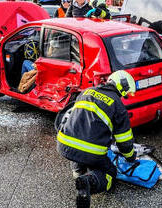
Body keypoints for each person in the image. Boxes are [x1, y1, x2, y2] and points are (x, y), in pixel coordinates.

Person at [56, 70, 137, 208]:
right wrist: (130, 157)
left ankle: (78, 172)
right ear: (122, 87)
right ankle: (89, 182)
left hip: (63, 145)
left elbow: (68, 115)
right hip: (90, 153)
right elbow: (124, 141)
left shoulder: (86, 91)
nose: (125, 97)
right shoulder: (118, 105)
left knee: (79, 146)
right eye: (126, 93)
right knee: (110, 172)